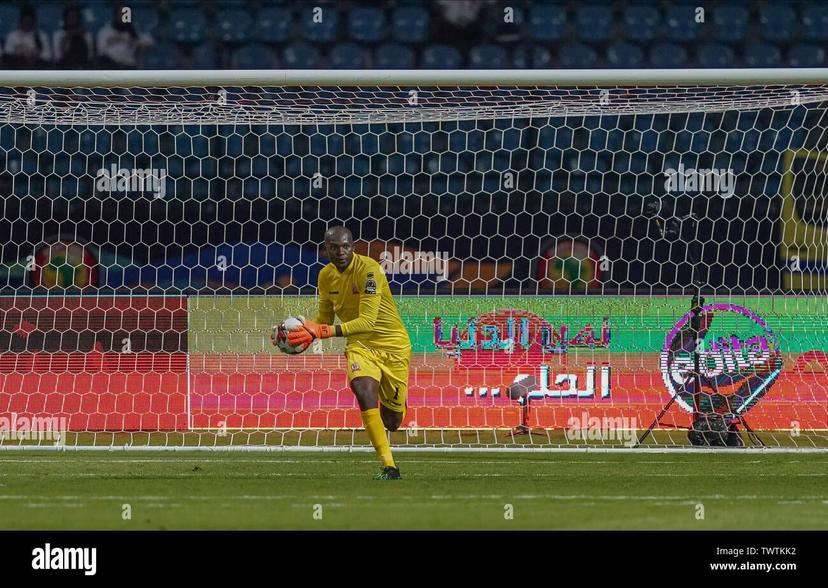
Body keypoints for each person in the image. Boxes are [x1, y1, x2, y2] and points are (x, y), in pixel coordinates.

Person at [273, 226, 412, 479]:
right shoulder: (325, 276)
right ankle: (389, 466)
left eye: (346, 246)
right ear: (326, 249)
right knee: (363, 391)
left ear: (353, 247)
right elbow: (323, 318)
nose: (341, 252)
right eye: (334, 247)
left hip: (392, 345)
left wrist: (321, 331)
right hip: (359, 346)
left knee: (392, 421)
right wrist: (298, 330)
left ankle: (398, 400)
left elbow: (367, 321)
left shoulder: (369, 271)